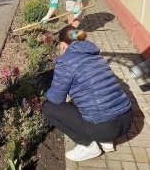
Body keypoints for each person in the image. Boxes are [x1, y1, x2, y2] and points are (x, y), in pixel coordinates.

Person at [42, 25, 133, 162]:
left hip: (105, 127)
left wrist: (45, 94)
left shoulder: (65, 62)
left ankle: (88, 146)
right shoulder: (96, 56)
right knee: (86, 99)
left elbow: (56, 98)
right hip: (128, 119)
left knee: (48, 107)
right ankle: (107, 142)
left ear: (62, 45)